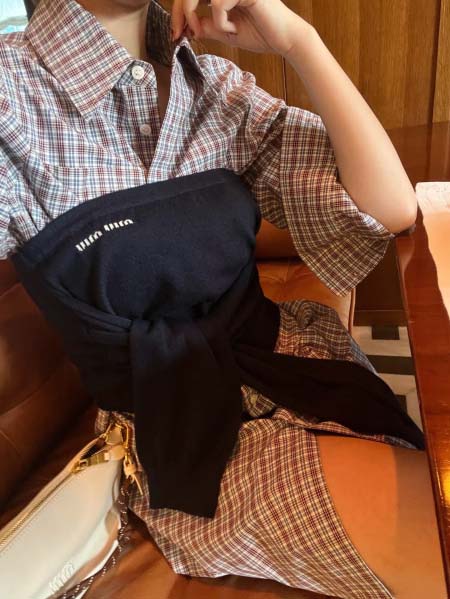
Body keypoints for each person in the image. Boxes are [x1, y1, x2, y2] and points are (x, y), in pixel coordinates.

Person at [0, 1, 446, 597]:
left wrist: (300, 42)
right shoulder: (12, 99)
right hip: (178, 432)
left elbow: (388, 209)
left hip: (294, 357)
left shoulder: (215, 84)